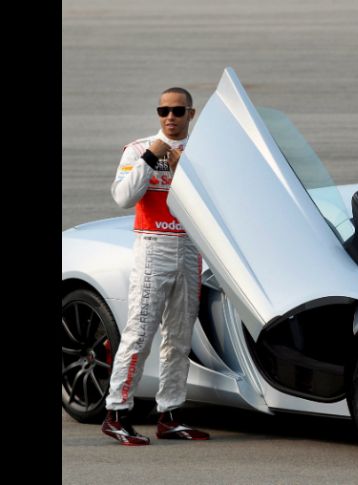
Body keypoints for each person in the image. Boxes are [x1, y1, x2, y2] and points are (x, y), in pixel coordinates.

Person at [101, 87, 210, 445]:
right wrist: (152, 157)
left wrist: (184, 173)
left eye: (178, 111)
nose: (170, 117)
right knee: (140, 333)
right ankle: (116, 412)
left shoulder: (203, 154)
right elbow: (123, 197)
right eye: (164, 110)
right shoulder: (138, 149)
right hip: (153, 247)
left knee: (179, 339)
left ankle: (171, 415)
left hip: (191, 249)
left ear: (191, 114)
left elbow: (212, 206)